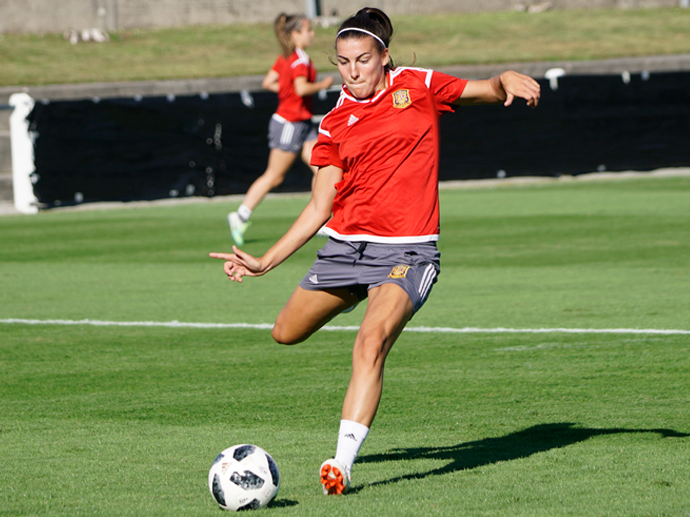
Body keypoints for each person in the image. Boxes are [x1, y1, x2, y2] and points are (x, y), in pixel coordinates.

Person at [211, 7, 540, 495]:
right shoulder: (334, 121)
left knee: (369, 343)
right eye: (343, 61)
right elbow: (321, 204)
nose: (353, 70)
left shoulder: (417, 84)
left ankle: (340, 464)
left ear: (384, 57)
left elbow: (484, 90)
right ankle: (363, 291)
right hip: (346, 250)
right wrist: (264, 261)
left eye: (363, 59)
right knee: (285, 333)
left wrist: (503, 80)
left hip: (408, 251)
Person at [227, 13, 334, 246]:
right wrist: (322, 85)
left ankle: (321, 218)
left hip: (303, 122)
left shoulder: (288, 58)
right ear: (295, 34)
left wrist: (286, 91)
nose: (312, 34)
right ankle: (240, 215)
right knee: (274, 176)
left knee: (322, 169)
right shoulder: (298, 60)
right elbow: (301, 88)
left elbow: (269, 82)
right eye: (308, 30)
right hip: (290, 124)